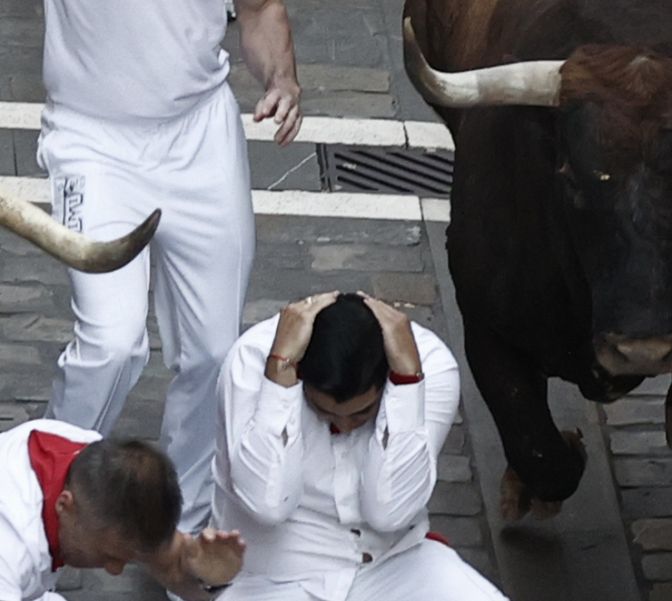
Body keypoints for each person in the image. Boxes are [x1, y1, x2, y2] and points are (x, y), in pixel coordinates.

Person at [39, 0, 302, 534]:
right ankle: (38, 506)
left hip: (200, 135)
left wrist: (282, 78)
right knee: (109, 345)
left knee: (213, 352)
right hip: (91, 141)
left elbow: (260, 8)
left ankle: (181, 534)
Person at [212, 292, 509, 600]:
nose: (345, 425)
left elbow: (390, 512)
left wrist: (406, 384)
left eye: (362, 413)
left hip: (391, 564)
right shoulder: (251, 359)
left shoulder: (429, 363)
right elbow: (267, 502)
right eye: (323, 411)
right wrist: (278, 379)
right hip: (274, 576)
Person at [0, 419, 245, 601]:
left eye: (126, 557)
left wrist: (209, 578)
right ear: (64, 505)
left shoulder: (100, 467)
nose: (115, 570)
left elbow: (171, 565)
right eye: (108, 555)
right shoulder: (9, 549)